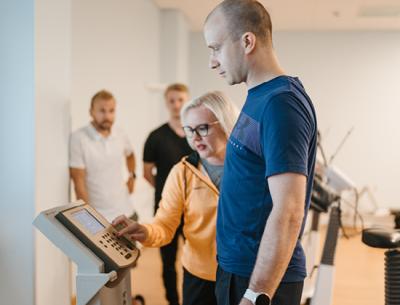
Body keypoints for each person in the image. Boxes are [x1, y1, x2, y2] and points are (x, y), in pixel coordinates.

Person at [203, 1, 318, 305]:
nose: (212, 62)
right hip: (237, 269)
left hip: (259, 280)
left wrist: (256, 294)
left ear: (247, 41)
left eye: (216, 48)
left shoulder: (281, 104)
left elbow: (289, 210)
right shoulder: (260, 98)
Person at [113, 91, 238, 305]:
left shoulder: (252, 168)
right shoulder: (182, 172)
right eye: (189, 130)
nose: (195, 138)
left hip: (243, 274)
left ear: (226, 123)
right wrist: (145, 231)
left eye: (203, 128)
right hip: (199, 275)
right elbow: (164, 225)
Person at [142, 83, 193, 305]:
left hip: (194, 208)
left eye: (180, 99)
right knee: (168, 260)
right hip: (166, 208)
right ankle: (173, 301)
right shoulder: (156, 136)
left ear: (187, 100)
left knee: (196, 259)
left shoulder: (196, 133)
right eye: (171, 100)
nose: (176, 105)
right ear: (166, 103)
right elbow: (146, 172)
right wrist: (169, 194)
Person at [69, 89, 137, 222]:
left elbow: (130, 154)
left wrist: (132, 176)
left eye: (111, 111)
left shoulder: (120, 133)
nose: (107, 116)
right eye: (102, 111)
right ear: (91, 112)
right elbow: (79, 182)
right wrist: (88, 218)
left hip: (127, 212)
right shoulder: (79, 138)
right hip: (99, 217)